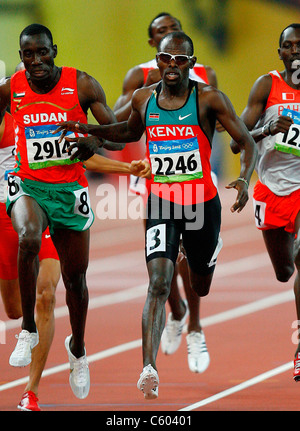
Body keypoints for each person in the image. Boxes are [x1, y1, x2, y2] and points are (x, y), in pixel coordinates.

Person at [56, 31, 257, 399]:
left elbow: (245, 141)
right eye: (166, 59)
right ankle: (149, 367)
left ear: (191, 65)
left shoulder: (208, 99)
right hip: (161, 201)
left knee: (200, 286)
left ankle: (207, 252)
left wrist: (244, 178)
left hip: (200, 204)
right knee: (158, 283)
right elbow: (126, 131)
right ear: (158, 61)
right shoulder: (143, 98)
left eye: (181, 61)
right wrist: (89, 132)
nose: (172, 66)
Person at [0, 22, 141, 403]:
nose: (36, 61)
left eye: (42, 53)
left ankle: (77, 347)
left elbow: (121, 130)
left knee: (75, 280)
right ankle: (27, 329)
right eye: (28, 55)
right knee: (28, 236)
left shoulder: (81, 85)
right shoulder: (11, 88)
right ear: (21, 57)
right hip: (28, 184)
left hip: (69, 190)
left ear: (54, 51)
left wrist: (91, 138)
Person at [113, 12, 223, 374]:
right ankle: (176, 313)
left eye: (174, 31)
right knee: (159, 263)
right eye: (162, 36)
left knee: (188, 261)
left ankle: (194, 326)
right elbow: (120, 119)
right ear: (153, 45)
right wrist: (96, 131)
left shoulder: (203, 75)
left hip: (196, 186)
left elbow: (220, 123)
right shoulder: (140, 77)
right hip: (155, 181)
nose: (170, 38)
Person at [230, 23, 300, 382]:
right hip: (271, 188)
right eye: (289, 46)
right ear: (280, 53)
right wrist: (267, 130)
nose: (296, 51)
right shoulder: (267, 85)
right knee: (285, 271)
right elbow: (236, 140)